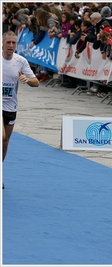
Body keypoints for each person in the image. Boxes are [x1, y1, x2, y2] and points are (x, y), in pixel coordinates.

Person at [2, 31, 40, 189]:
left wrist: (27, 80)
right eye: (8, 43)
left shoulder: (21, 61)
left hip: (11, 106)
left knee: (5, 142)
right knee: (1, 136)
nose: (11, 46)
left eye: (13, 43)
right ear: (2, 43)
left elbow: (36, 82)